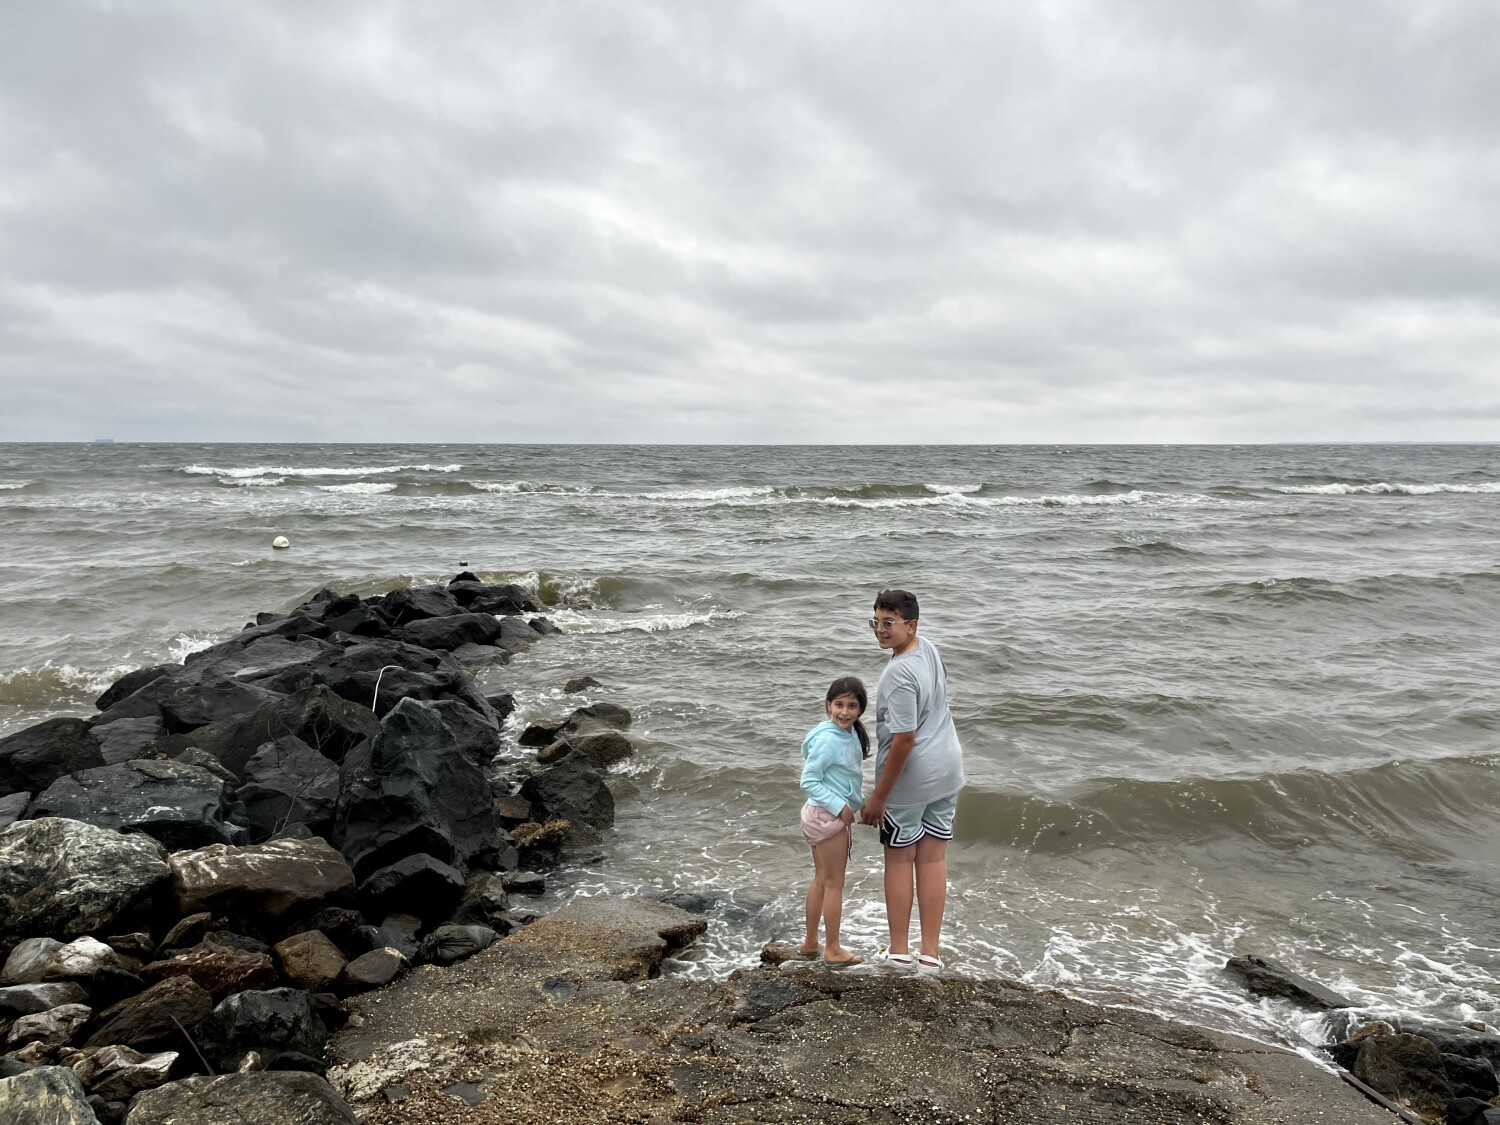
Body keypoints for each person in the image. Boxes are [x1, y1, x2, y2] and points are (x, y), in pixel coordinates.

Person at [859, 589, 965, 970]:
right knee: (934, 859)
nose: (880, 631)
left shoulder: (897, 674)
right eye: (876, 622)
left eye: (889, 623)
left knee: (901, 860)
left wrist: (879, 798)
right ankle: (931, 954)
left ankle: (900, 950)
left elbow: (904, 740)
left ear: (911, 625)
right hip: (948, 768)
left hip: (913, 777)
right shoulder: (928, 649)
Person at [798, 675, 870, 966]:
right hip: (825, 815)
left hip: (819, 813)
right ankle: (833, 949)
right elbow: (809, 779)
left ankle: (810, 942)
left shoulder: (848, 733)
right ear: (828, 705)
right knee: (833, 884)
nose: (844, 711)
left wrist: (861, 805)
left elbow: (845, 778)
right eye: (838, 704)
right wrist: (841, 807)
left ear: (861, 709)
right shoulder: (829, 738)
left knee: (821, 879)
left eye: (852, 706)